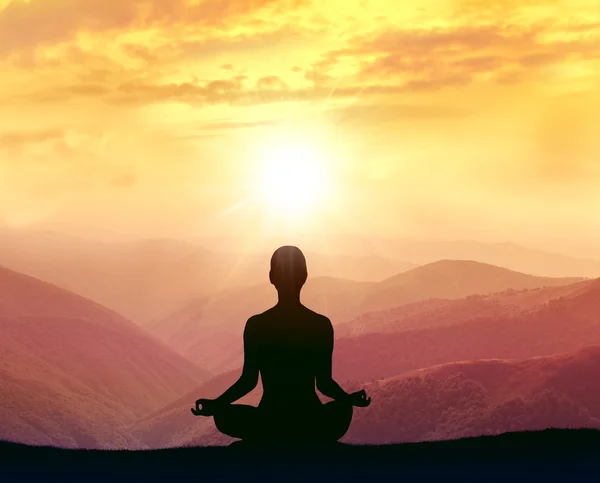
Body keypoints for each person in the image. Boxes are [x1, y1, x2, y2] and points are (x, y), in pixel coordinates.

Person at [191, 245, 371, 444]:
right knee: (341, 410)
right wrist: (348, 400)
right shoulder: (320, 325)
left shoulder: (257, 325)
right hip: (310, 419)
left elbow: (248, 381)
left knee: (224, 415)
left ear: (271, 277)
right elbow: (324, 383)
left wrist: (217, 404)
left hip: (269, 418)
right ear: (304, 276)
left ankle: (265, 436)